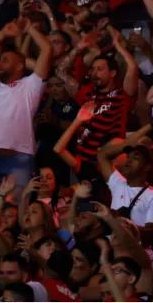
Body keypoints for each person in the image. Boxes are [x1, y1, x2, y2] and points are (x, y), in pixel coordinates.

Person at [54, 31, 138, 189]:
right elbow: (60, 72)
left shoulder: (122, 96)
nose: (94, 73)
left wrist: (119, 47)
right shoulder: (87, 94)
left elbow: (132, 68)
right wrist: (79, 46)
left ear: (112, 73)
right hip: (80, 165)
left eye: (100, 69)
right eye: (93, 69)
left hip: (106, 165)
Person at [0, 19, 53, 196]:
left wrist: (28, 28)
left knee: (16, 211)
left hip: (18, 159)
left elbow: (47, 50)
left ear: (20, 66)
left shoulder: (30, 86)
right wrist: (3, 34)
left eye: (5, 61)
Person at [96, 133, 153, 244]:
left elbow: (150, 234)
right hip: (114, 251)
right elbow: (102, 155)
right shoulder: (118, 184)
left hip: (137, 255)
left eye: (135, 158)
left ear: (147, 167)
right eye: (128, 157)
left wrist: (122, 222)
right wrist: (126, 144)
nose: (129, 160)